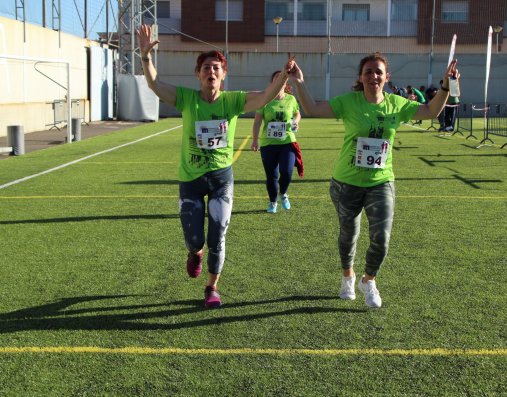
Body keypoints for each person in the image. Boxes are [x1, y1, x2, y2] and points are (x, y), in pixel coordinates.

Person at [136, 24, 294, 308]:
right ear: (198, 74)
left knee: (218, 233)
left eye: (216, 68)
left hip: (221, 180)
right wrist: (146, 57)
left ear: (224, 75)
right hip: (191, 181)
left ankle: (211, 288)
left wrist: (283, 76)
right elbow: (155, 85)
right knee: (195, 239)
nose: (211, 72)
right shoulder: (186, 99)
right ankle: (194, 253)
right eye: (206, 67)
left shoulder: (233, 101)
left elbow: (265, 96)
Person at [288, 52, 459, 308]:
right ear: (361, 77)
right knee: (349, 234)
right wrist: (299, 82)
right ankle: (348, 276)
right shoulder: (350, 102)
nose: (373, 76)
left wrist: (447, 85)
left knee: (382, 238)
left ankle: (368, 280)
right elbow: (312, 108)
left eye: (378, 72)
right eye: (368, 72)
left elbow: (432, 111)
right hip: (347, 182)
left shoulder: (397, 105)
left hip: (381, 181)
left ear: (386, 77)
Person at [251, 71, 302, 213]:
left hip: (287, 141)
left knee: (287, 172)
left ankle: (283, 193)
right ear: (272, 83)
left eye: (282, 78)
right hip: (269, 144)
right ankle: (273, 201)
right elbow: (257, 122)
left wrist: (296, 122)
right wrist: (255, 140)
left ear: (286, 82)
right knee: (271, 176)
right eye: (276, 79)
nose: (279, 81)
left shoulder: (291, 99)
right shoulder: (264, 100)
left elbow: (297, 113)